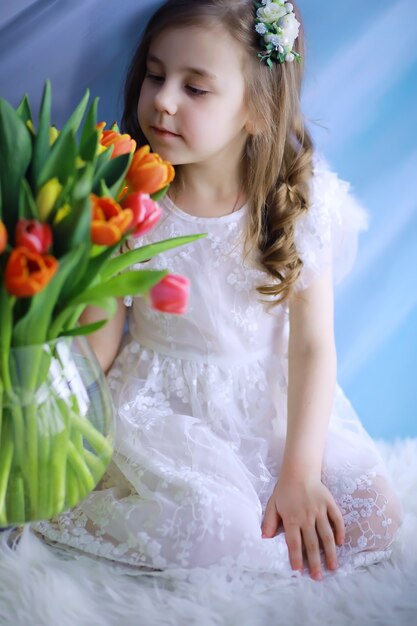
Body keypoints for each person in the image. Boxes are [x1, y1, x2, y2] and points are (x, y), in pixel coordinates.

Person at [32, 0, 402, 582]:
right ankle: (69, 515)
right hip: (164, 408)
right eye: (155, 75)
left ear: (255, 110)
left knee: (375, 513)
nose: (163, 99)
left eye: (195, 88)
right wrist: (53, 421)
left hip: (268, 404)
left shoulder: (298, 201)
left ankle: (281, 508)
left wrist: (299, 472)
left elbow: (312, 348)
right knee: (218, 529)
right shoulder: (129, 203)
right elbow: (99, 342)